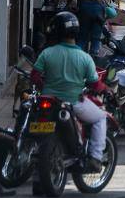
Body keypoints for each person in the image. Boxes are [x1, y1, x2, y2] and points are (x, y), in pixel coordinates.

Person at [31, 12, 107, 172]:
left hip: (47, 100)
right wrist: (106, 90)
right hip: (73, 103)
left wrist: (43, 87)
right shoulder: (85, 58)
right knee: (100, 118)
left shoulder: (47, 53)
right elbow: (95, 84)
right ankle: (95, 157)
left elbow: (35, 77)